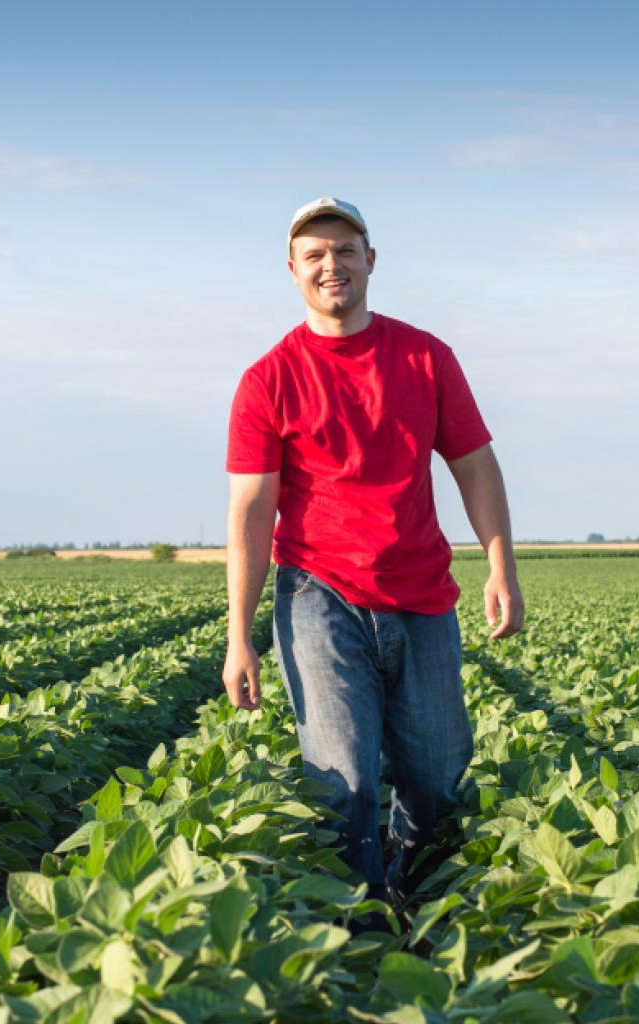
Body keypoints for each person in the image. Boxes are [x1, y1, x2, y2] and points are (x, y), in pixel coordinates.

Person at [222, 197, 523, 911]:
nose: (333, 265)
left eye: (345, 250)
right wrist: (240, 635)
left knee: (437, 776)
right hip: (317, 594)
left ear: (370, 261)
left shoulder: (425, 356)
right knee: (342, 782)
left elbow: (475, 464)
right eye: (316, 255)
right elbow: (252, 511)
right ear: (292, 271)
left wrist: (500, 565)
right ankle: (355, 923)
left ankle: (414, 892)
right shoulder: (267, 379)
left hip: (420, 592)